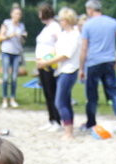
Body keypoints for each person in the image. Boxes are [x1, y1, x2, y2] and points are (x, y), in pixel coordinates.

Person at [79, 0, 116, 133]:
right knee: (114, 94)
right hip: (109, 62)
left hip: (93, 63)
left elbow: (84, 48)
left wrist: (81, 68)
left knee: (92, 96)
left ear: (90, 9)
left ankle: (91, 122)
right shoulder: (112, 22)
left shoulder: (87, 25)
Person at [38, 7, 80, 140]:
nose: (60, 21)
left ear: (67, 20)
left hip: (69, 71)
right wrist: (44, 59)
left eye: (62, 19)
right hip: (60, 70)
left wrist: (46, 62)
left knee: (60, 102)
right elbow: (56, 51)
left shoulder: (75, 35)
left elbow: (65, 55)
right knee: (65, 101)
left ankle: (68, 132)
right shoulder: (63, 35)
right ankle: (69, 130)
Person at [35, 3, 62, 131]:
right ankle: (51, 119)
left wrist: (50, 59)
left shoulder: (55, 27)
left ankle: (57, 120)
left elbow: (59, 43)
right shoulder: (46, 28)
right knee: (46, 92)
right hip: (41, 63)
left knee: (52, 92)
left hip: (49, 64)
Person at [0, 5, 27, 109]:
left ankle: (13, 98)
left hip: (16, 53)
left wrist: (22, 37)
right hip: (6, 51)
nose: (17, 16)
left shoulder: (21, 26)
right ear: (11, 14)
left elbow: (23, 41)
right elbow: (0, 37)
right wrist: (10, 35)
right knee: (6, 77)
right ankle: (4, 99)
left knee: (14, 77)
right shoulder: (6, 23)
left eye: (19, 14)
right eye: (16, 13)